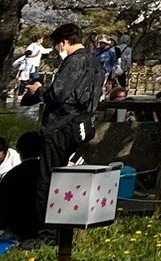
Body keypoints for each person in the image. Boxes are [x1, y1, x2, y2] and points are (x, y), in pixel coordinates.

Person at [25, 23, 103, 172]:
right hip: (81, 124)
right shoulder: (95, 62)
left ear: (63, 42)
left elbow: (58, 94)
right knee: (66, 176)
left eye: (56, 45)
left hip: (60, 126)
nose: (56, 49)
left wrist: (39, 90)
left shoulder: (75, 61)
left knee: (49, 175)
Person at [0, 132, 50, 241]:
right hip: (45, 229)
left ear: (19, 151)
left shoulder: (11, 175)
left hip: (17, 230)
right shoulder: (48, 174)